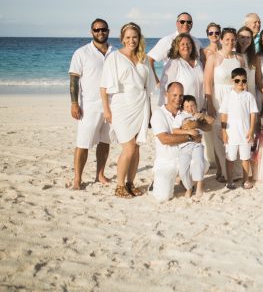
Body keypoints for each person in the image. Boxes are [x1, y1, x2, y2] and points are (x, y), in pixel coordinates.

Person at [100, 22, 155, 198]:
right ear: (122, 39)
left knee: (136, 148)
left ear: (139, 38)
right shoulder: (114, 57)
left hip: (141, 105)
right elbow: (103, 87)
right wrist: (106, 110)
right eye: (128, 37)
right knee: (129, 148)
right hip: (122, 107)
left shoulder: (143, 58)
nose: (132, 40)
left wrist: (151, 110)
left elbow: (149, 86)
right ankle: (119, 186)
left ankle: (131, 183)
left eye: (135, 37)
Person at [68, 18, 115, 189]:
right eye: (96, 30)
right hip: (89, 106)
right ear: (91, 32)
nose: (100, 32)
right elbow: (74, 80)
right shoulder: (81, 53)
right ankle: (77, 179)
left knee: (105, 142)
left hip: (111, 106)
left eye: (103, 29)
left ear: (108, 31)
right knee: (83, 143)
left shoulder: (115, 52)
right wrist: (74, 103)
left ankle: (99, 175)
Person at [203, 27, 244, 183]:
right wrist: (210, 104)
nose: (230, 42)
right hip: (218, 99)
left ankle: (237, 171)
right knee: (220, 136)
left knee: (235, 133)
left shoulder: (239, 59)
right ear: (221, 40)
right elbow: (207, 82)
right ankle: (225, 172)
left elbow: (242, 82)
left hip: (235, 99)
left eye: (233, 39)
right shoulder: (213, 57)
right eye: (227, 39)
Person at [149, 82, 202, 202]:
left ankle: (183, 180)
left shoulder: (185, 112)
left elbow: (206, 126)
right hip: (167, 162)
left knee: (202, 163)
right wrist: (190, 137)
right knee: (163, 197)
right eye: (174, 95)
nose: (178, 99)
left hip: (185, 157)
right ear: (166, 94)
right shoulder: (158, 114)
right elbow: (165, 139)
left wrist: (200, 120)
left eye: (181, 96)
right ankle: (157, 182)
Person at [219, 67, 258, 190]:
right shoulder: (227, 96)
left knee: (245, 158)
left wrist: (251, 130)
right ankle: (230, 181)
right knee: (230, 158)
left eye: (243, 81)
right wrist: (224, 131)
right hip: (231, 134)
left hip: (245, 133)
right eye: (237, 80)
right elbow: (224, 114)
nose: (240, 83)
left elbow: (253, 114)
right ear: (232, 81)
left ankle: (245, 180)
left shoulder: (249, 96)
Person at [173, 94, 213, 199]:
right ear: (183, 108)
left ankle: (199, 185)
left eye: (192, 105)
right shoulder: (180, 116)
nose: (190, 108)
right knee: (183, 170)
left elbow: (211, 122)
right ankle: (189, 188)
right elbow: (175, 130)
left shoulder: (199, 115)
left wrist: (201, 116)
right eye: (187, 106)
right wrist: (189, 130)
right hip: (184, 147)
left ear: (196, 105)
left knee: (198, 161)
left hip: (197, 145)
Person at [147, 12, 203, 82]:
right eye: (182, 22)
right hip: (174, 87)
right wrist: (156, 82)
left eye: (189, 22)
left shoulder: (197, 42)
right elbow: (149, 60)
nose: (185, 24)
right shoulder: (167, 40)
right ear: (177, 23)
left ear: (192, 24)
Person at [160, 33, 205, 110]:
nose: (186, 46)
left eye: (188, 43)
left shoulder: (198, 63)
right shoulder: (174, 63)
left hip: (198, 110)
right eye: (182, 44)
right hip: (183, 111)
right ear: (177, 47)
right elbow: (165, 88)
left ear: (192, 46)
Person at [237, 26, 259, 97]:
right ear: (237, 38)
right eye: (242, 37)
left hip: (252, 95)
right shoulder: (233, 55)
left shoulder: (253, 56)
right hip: (239, 95)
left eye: (248, 37)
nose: (245, 40)